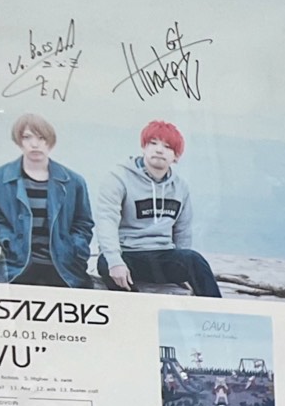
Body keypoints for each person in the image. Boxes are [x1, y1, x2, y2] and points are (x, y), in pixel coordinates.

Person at [93, 120, 221, 297]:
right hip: (127, 253)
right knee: (106, 264)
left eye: (167, 147)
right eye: (153, 143)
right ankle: (135, 308)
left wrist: (182, 272)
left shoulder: (180, 187)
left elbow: (182, 230)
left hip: (163, 254)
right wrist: (115, 261)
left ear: (176, 156)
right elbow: (106, 221)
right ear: (143, 147)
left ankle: (218, 312)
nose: (159, 150)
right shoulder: (118, 178)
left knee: (194, 261)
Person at [0, 113, 92, 287]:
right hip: (17, 265)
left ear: (50, 141)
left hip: (63, 266)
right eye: (27, 137)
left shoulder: (74, 181)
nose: (35, 144)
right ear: (19, 140)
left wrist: (73, 249)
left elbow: (83, 223)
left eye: (41, 138)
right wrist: (10, 243)